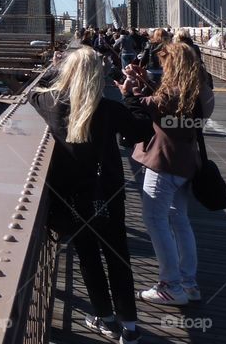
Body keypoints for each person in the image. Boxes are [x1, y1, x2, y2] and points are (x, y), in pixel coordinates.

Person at [31, 46, 146, 343]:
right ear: (99, 75)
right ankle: (130, 329)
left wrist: (53, 68)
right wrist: (131, 95)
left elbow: (29, 93)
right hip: (108, 192)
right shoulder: (111, 109)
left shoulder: (50, 103)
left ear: (68, 73)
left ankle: (105, 319)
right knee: (117, 257)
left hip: (70, 197)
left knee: (88, 255)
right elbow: (138, 133)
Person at [119, 41, 214, 306]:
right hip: (187, 163)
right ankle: (188, 282)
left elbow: (141, 107)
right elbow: (163, 107)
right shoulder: (199, 90)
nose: (161, 65)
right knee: (180, 220)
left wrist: (128, 89)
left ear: (172, 64)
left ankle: (170, 284)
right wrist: (141, 83)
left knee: (155, 221)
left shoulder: (171, 94)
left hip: (164, 164)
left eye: (164, 62)